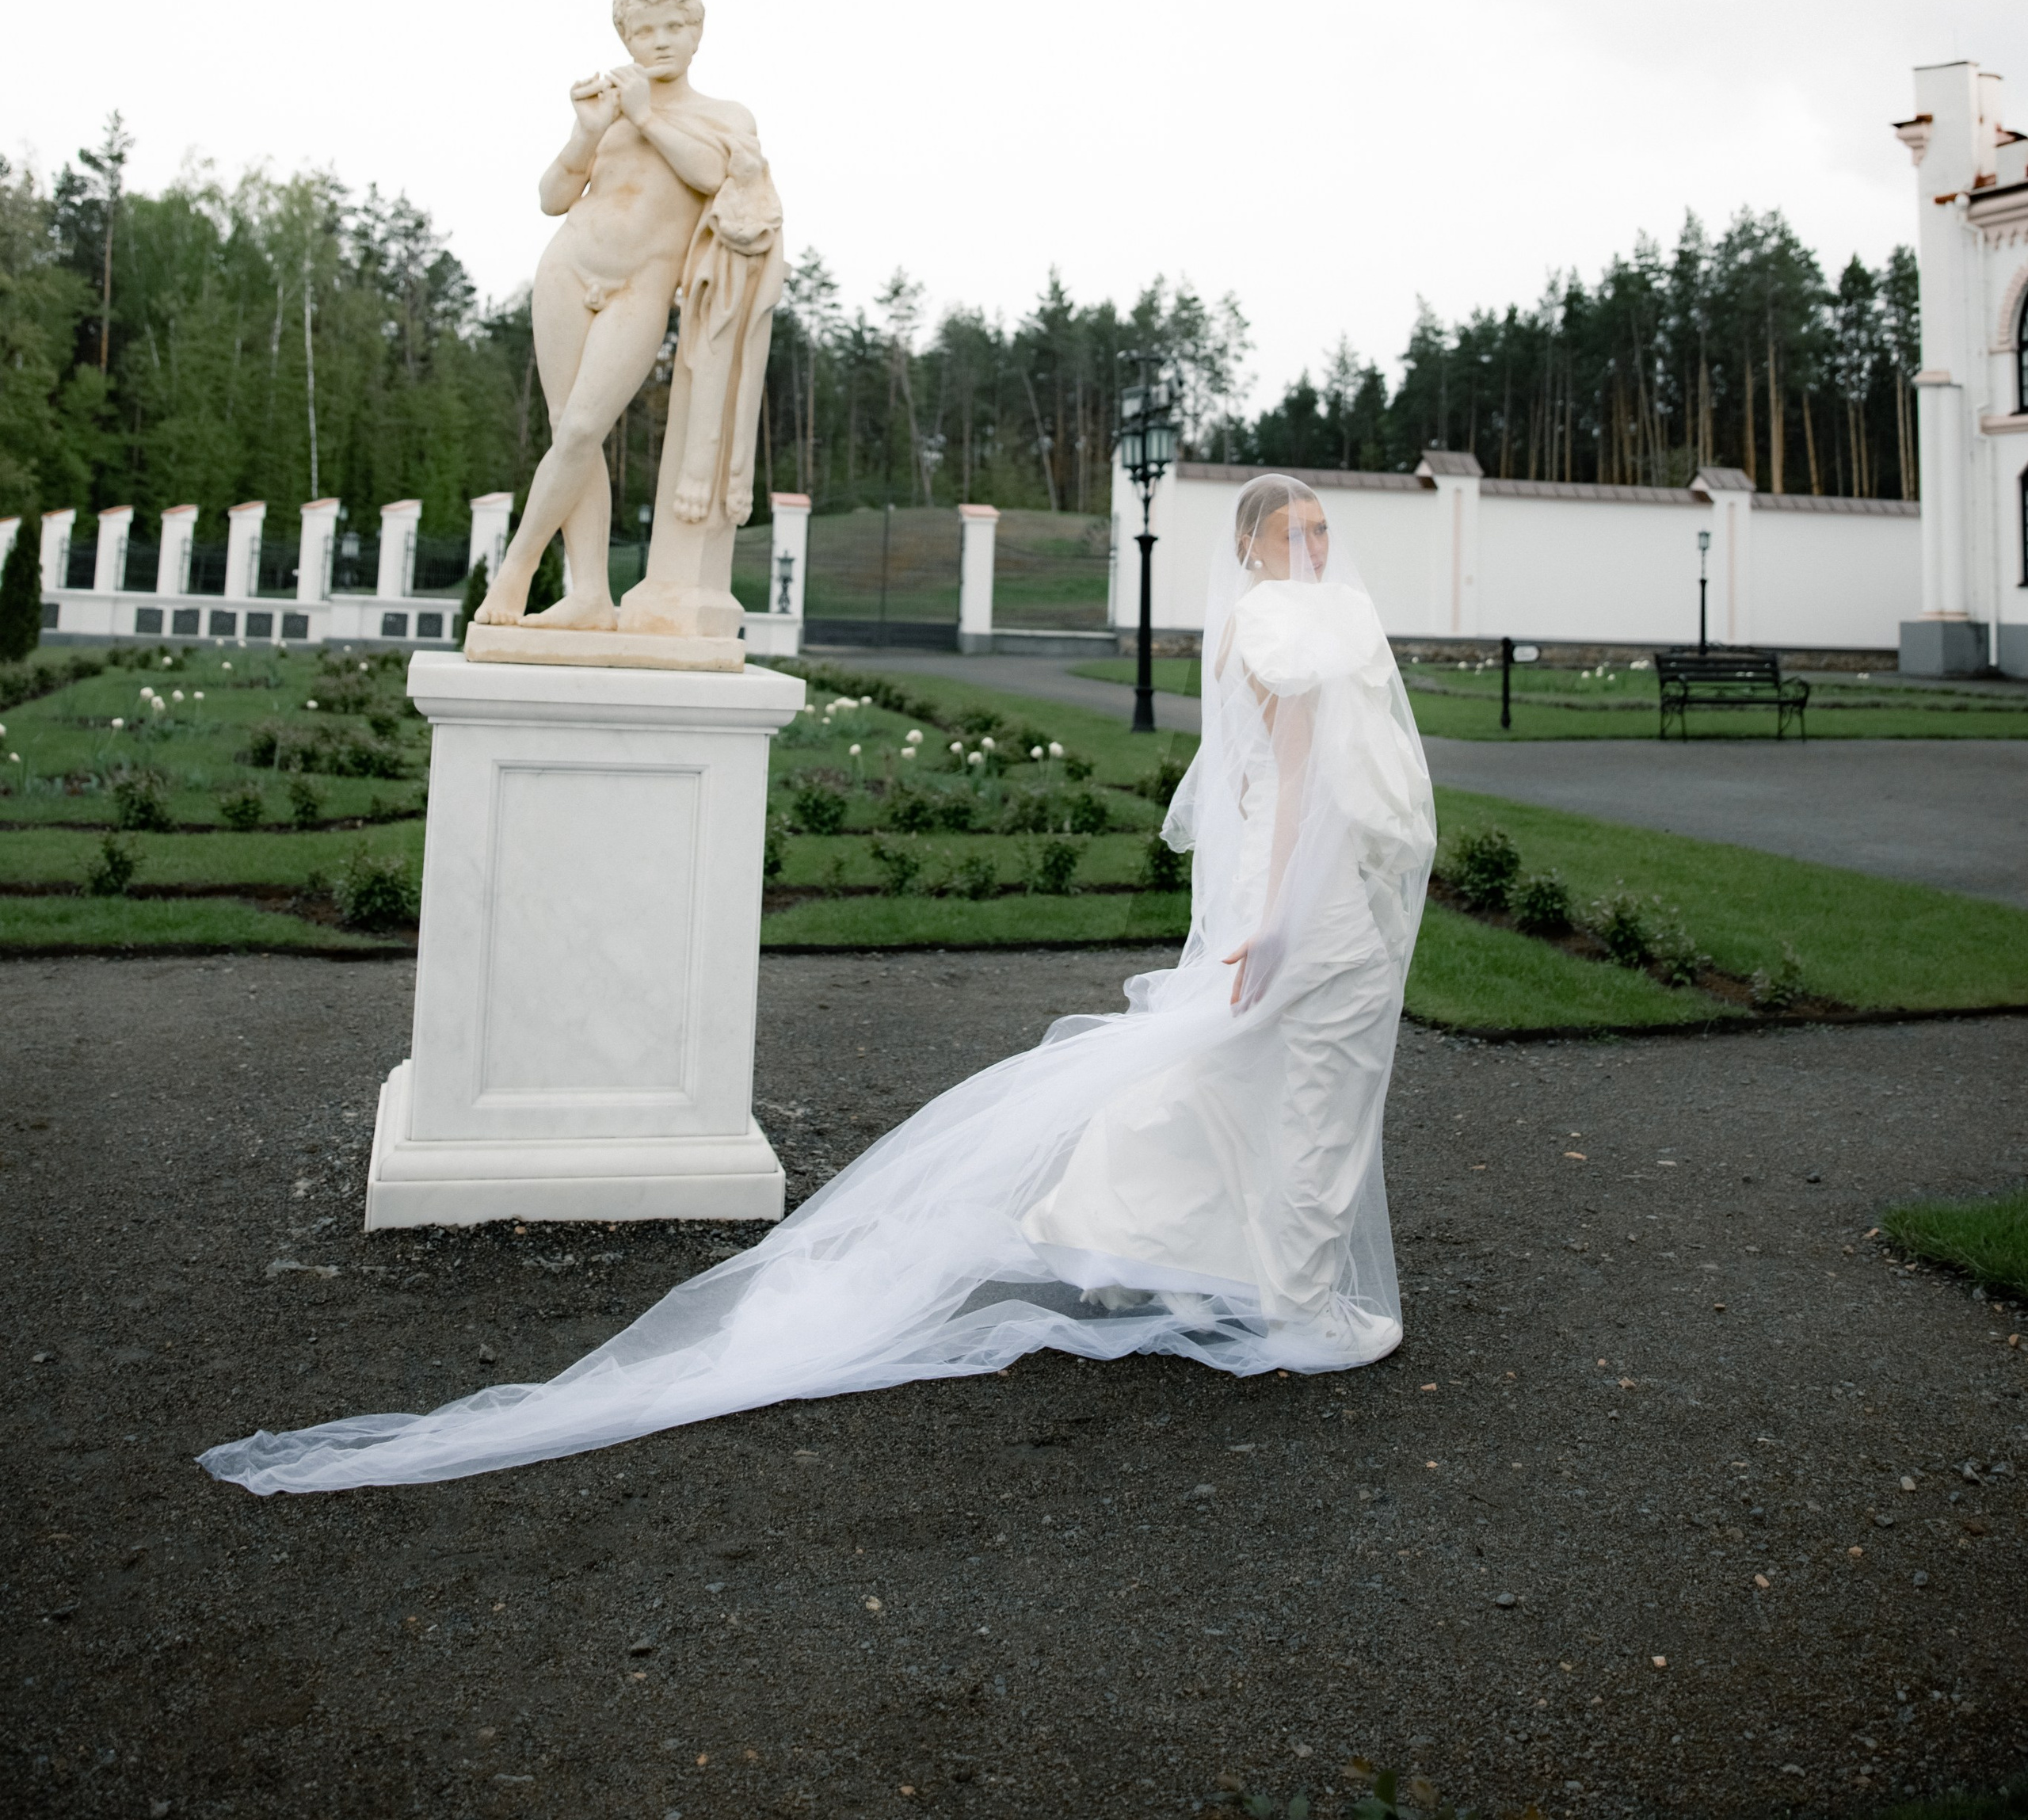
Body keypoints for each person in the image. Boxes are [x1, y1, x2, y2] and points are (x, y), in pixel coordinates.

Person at [202, 475, 1434, 1495]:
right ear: (1252, 548)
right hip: (1302, 899)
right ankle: (1291, 1294)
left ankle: (1153, 1232)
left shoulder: (1295, 622)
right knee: (1305, 1079)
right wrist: (1275, 920)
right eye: (1296, 532)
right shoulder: (1283, 629)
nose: (1317, 548)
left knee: (1238, 1072)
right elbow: (1292, 785)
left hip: (1303, 892)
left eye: (1325, 531)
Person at [473, 0, 781, 634]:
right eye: (643, 32)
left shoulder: (725, 117)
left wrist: (644, 115)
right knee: (568, 431)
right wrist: (587, 131)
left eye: (673, 27)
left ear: (698, 33)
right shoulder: (610, 106)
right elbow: (553, 197)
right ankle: (589, 594)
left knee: (584, 428)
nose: (660, 41)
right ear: (625, 39)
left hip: (642, 286)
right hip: (567, 268)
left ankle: (518, 566)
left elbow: (714, 175)